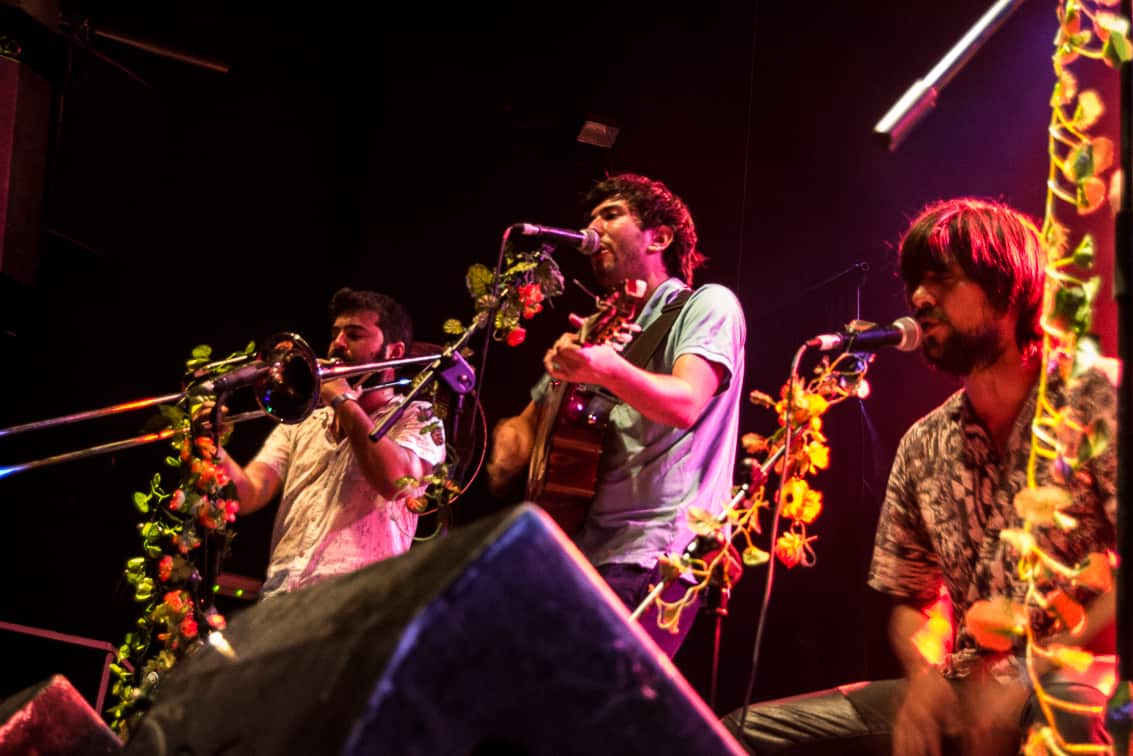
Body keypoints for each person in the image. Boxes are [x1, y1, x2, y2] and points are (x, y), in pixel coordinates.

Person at [724, 197, 1118, 754]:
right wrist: (928, 675)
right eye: (914, 283)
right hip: (970, 681)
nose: (917, 298)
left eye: (941, 280)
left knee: (1070, 716)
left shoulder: (1097, 394)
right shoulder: (922, 443)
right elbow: (912, 600)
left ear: (1006, 287)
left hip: (1088, 668)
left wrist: (1034, 673)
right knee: (745, 732)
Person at [487, 173, 747, 657]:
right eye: (590, 218)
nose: (593, 229)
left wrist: (606, 370)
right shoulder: (598, 326)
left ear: (660, 237)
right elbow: (528, 423)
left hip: (656, 553)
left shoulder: (707, 304)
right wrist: (511, 444)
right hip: (580, 552)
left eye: (610, 215)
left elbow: (686, 402)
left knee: (593, 713)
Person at [217, 288, 447, 599]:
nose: (337, 344)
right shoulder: (304, 422)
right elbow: (249, 494)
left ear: (393, 353)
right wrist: (213, 445)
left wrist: (342, 400)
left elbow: (397, 482)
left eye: (354, 335)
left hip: (358, 603)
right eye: (335, 333)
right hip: (282, 594)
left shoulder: (416, 416)